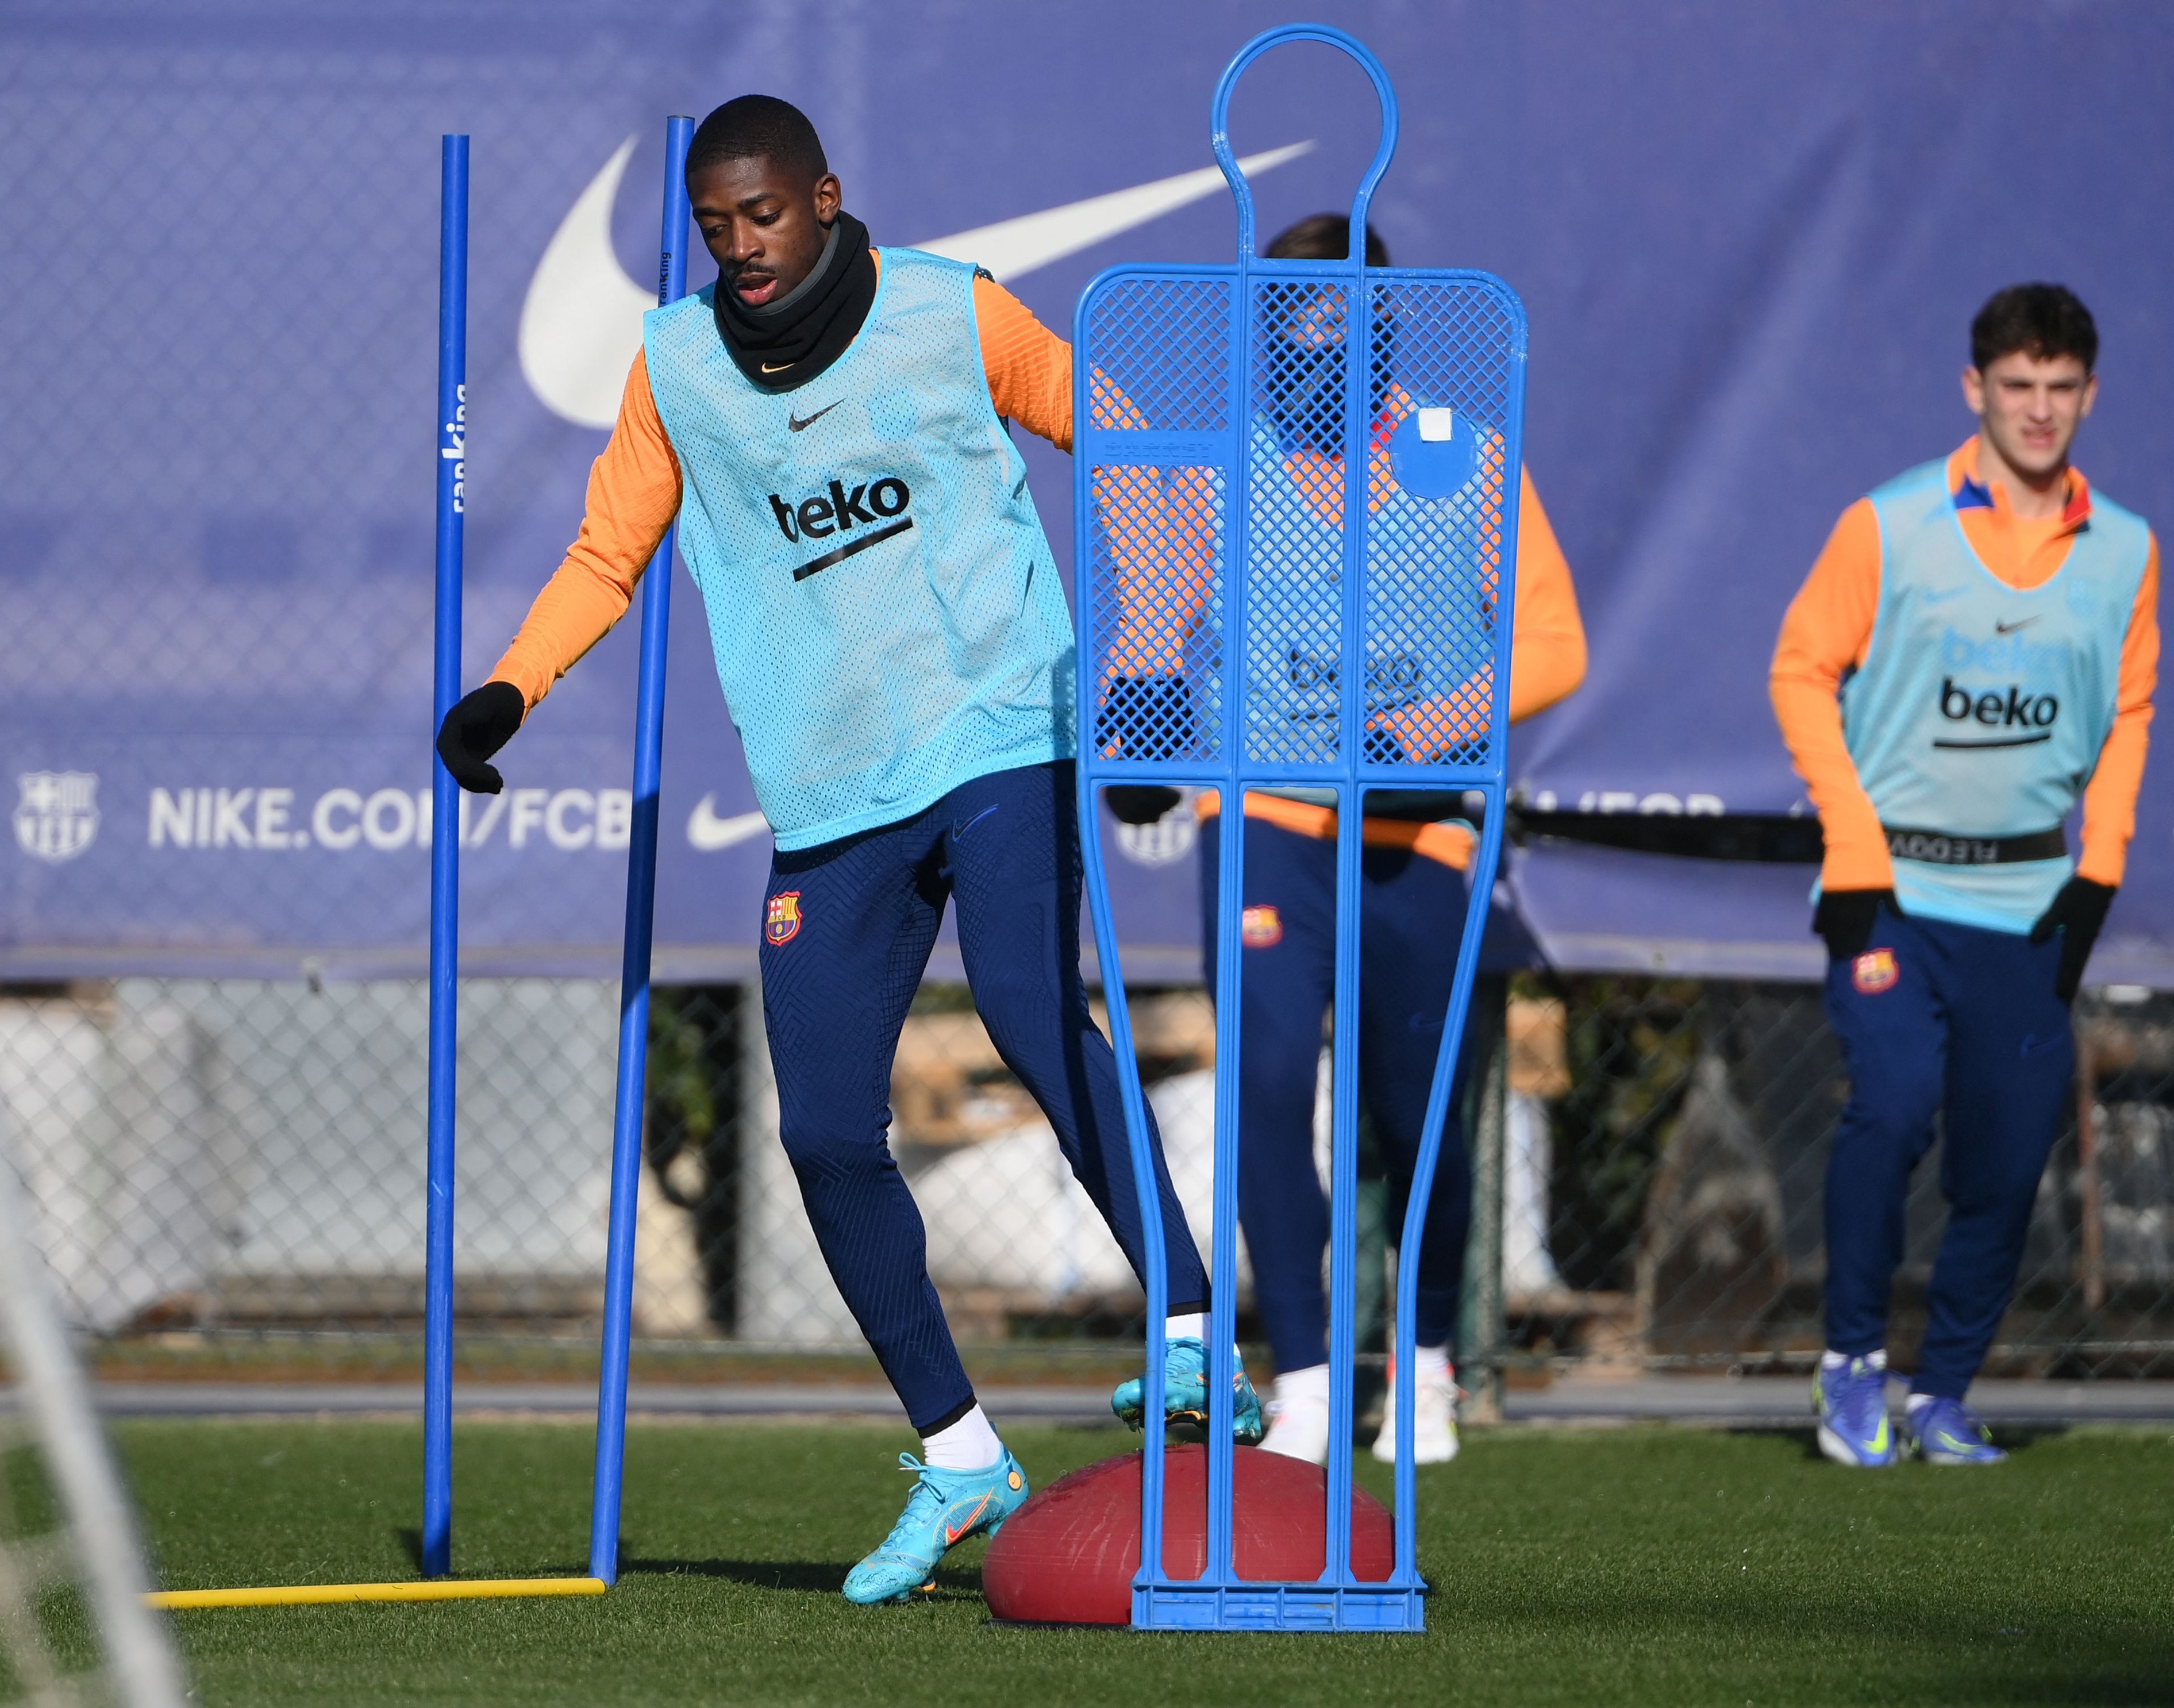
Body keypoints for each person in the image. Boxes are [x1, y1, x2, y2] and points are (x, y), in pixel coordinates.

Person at [436, 95, 1252, 1605]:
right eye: (715, 226)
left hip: (1008, 725)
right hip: (829, 796)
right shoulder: (677, 364)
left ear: (822, 196)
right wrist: (511, 686)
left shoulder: (955, 312)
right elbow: (608, 551)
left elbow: (1129, 438)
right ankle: (958, 1454)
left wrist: (1147, 643)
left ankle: (1191, 1329)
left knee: (1025, 1009)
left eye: (765, 214)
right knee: (821, 1128)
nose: (742, 247)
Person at [1106, 213, 1587, 1467]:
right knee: (1265, 1090)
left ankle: (1421, 1367)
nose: (1318, 344)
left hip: (1419, 825)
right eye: (1295, 320)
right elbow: (1160, 615)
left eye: (1343, 317)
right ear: (1265, 329)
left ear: (1388, 321)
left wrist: (1436, 725)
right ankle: (1310, 1372)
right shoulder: (1222, 461)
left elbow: (1552, 643)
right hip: (1265, 813)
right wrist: (1142, 702)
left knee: (1414, 1113)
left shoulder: (1458, 455)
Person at [1771, 283, 2156, 1467]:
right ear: (1973, 389)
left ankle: (1941, 1395)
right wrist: (1851, 839)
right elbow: (1800, 670)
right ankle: (1849, 1369)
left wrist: (2101, 867)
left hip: (2031, 904)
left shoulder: (2128, 549)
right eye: (2016, 386)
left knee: (2006, 1151)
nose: (2038, 412)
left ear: (2090, 395)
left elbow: (2130, 711)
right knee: (1888, 1111)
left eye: (2059, 388)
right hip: (1893, 895)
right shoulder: (1888, 524)